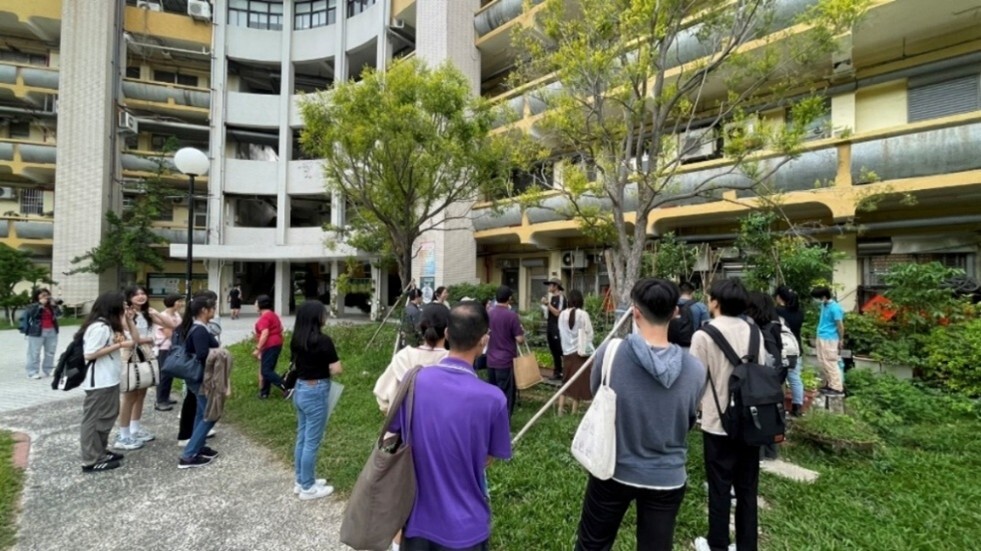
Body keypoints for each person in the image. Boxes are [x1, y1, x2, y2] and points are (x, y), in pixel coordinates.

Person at [576, 279, 705, 550]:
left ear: (635, 312)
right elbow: (689, 418)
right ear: (675, 312)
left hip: (612, 468)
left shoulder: (610, 352)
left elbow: (597, 392)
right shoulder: (695, 369)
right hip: (667, 477)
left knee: (592, 545)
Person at [389, 302, 511, 550]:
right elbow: (487, 458)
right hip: (467, 527)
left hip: (416, 522)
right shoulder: (493, 399)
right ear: (484, 340)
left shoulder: (414, 381)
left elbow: (397, 431)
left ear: (446, 334)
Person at [691, 278, 766, 551]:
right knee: (747, 488)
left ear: (715, 302)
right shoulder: (755, 332)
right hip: (751, 423)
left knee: (719, 487)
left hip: (717, 422)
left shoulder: (704, 335)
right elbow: (762, 370)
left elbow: (694, 381)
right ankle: (747, 545)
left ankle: (717, 544)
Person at [114, 285, 178, 451]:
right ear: (129, 298)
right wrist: (149, 339)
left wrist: (157, 313)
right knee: (129, 395)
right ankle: (123, 434)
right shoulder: (125, 314)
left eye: (143, 293)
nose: (141, 296)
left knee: (141, 393)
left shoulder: (147, 313)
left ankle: (135, 429)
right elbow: (130, 337)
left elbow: (171, 325)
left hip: (146, 354)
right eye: (136, 294)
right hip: (129, 355)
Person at [290, 300, 342, 500]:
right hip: (316, 390)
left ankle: (301, 479)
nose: (325, 316)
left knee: (302, 437)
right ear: (316, 317)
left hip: (300, 388)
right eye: (323, 313)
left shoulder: (297, 339)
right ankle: (308, 488)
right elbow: (337, 369)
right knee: (312, 441)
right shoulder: (323, 340)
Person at [79, 292, 137, 473]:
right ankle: (91, 460)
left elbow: (133, 339)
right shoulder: (99, 327)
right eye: (123, 306)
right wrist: (119, 346)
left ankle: (100, 451)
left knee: (107, 416)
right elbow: (89, 353)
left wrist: (129, 320)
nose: (126, 309)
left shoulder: (110, 325)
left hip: (109, 379)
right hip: (99, 381)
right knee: (94, 419)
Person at [374, 304, 450, 412]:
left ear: (420, 327)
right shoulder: (452, 361)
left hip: (403, 422)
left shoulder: (403, 356)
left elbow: (382, 397)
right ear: (447, 331)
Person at [176, 296, 221, 469]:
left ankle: (198, 446)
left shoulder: (196, 327)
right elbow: (202, 354)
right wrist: (220, 354)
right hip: (201, 378)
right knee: (211, 415)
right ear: (204, 310)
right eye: (213, 308)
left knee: (201, 413)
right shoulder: (200, 330)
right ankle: (188, 456)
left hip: (196, 378)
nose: (214, 310)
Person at [485, 285, 525, 418]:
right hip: (506, 361)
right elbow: (519, 339)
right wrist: (522, 333)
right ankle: (504, 424)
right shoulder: (511, 315)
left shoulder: (489, 314)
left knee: (493, 395)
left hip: (491, 360)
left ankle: (491, 421)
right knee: (506, 396)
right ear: (509, 298)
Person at [557, 289, 594, 415]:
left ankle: (560, 409)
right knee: (578, 381)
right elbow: (590, 334)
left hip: (566, 352)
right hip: (579, 352)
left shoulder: (562, 315)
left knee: (565, 380)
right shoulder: (583, 315)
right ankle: (574, 412)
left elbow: (561, 332)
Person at [774, 286, 804, 416]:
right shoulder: (799, 312)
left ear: (779, 297)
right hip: (796, 348)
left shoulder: (777, 312)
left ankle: (778, 406)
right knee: (795, 378)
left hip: (781, 348)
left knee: (777, 378)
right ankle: (797, 407)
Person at [810, 286, 845, 395]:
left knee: (830, 362)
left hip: (830, 338)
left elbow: (840, 325)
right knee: (823, 362)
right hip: (821, 336)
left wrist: (841, 339)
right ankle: (829, 384)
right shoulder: (824, 305)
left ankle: (837, 387)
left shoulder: (835, 308)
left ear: (824, 297)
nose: (816, 300)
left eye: (817, 298)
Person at [154, 293, 184, 411]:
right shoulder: (163, 316)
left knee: (170, 373)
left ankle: (166, 397)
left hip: (174, 347)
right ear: (172, 302)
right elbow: (169, 333)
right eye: (179, 301)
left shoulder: (176, 314)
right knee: (164, 374)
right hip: (164, 348)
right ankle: (160, 400)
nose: (181, 304)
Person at [254, 294, 288, 399]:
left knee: (266, 371)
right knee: (268, 369)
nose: (255, 305)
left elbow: (265, 333)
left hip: (270, 345)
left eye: (256, 303)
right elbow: (281, 328)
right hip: (277, 343)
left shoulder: (264, 317)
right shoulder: (273, 315)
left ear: (260, 305)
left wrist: (258, 348)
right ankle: (264, 393)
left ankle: (286, 387)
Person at [23, 287, 61, 379]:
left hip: (52, 330)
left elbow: (59, 315)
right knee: (34, 352)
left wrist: (55, 306)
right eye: (43, 295)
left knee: (50, 352)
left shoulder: (51, 305)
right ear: (37, 296)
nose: (45, 297)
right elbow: (33, 315)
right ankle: (32, 372)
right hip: (37, 331)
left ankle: (49, 369)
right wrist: (40, 305)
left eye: (47, 295)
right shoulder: (32, 305)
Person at [542, 277, 566, 381]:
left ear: (556, 286)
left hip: (557, 328)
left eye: (550, 285)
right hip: (550, 327)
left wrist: (547, 304)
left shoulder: (561, 297)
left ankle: (567, 372)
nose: (548, 287)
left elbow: (558, 313)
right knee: (554, 351)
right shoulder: (552, 298)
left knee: (561, 351)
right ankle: (557, 372)